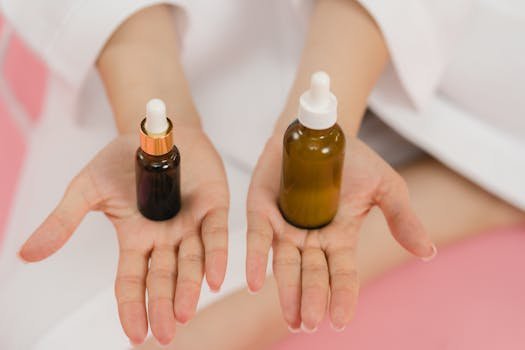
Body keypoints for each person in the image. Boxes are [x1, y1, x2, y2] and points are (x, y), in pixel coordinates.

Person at [0, 1, 523, 349]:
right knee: (45, 333)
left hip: (453, 51)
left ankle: (478, 180)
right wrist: (152, 95)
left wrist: (331, 105)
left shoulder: (314, 135)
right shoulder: (155, 148)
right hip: (178, 51)